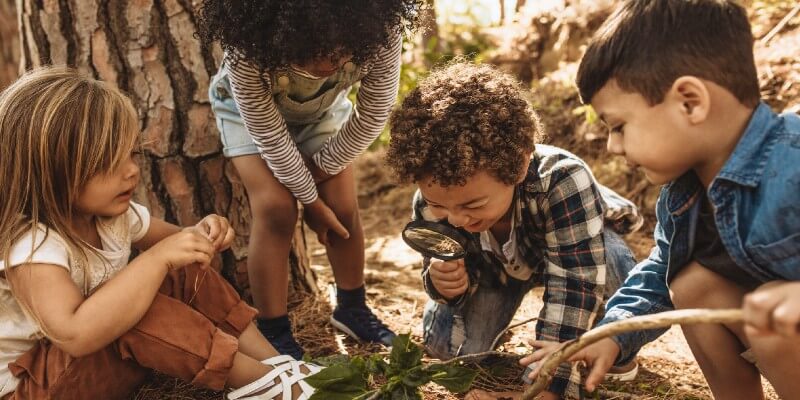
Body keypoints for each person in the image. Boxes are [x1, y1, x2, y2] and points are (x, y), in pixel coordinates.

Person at [0, 66, 319, 400]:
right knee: (137, 307)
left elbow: (179, 245)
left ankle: (277, 365)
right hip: (36, 388)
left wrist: (202, 233)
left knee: (179, 269)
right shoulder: (32, 247)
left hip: (93, 369)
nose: (133, 170)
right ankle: (266, 386)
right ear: (49, 172)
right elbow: (75, 335)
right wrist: (155, 260)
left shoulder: (111, 217)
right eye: (109, 161)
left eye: (133, 154)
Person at [538, 1, 800, 398]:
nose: (612, 146)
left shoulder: (792, 158)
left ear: (690, 102)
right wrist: (611, 335)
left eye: (619, 126)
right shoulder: (683, 196)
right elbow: (659, 275)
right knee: (692, 285)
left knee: (771, 308)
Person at [385, 62, 643, 399]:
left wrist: (549, 385)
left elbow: (574, 284)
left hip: (574, 254)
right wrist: (442, 284)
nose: (457, 219)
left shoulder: (563, 180)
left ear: (519, 165)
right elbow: (440, 274)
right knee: (447, 348)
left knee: (612, 260)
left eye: (473, 205)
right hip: (495, 273)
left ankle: (611, 345)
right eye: (441, 206)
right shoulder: (430, 202)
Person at [195, 0, 422, 358]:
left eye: (337, 56)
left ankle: (352, 308)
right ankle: (274, 329)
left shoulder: (381, 29)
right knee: (276, 208)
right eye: (308, 55)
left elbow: (373, 115)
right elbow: (270, 137)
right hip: (247, 117)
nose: (325, 67)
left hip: (323, 114)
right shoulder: (246, 50)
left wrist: (317, 179)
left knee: (343, 206)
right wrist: (310, 202)